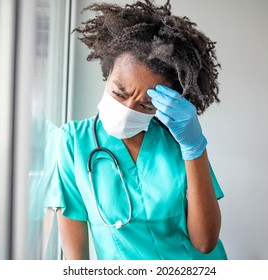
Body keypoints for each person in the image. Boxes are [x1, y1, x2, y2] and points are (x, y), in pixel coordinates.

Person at [44, 0, 227, 260]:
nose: (127, 108)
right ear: (107, 73)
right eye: (119, 92)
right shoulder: (72, 142)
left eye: (145, 104)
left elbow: (205, 242)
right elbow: (75, 258)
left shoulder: (179, 140)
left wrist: (194, 148)